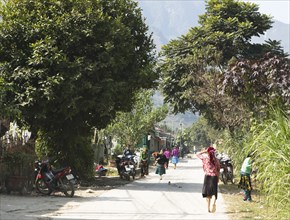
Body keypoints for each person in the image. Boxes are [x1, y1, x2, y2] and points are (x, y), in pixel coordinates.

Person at [196, 146, 220, 213]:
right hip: (214, 177)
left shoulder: (205, 158)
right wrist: (218, 178)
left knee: (208, 194)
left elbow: (197, 154)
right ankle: (214, 204)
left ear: (208, 152)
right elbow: (218, 170)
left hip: (207, 177)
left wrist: (204, 151)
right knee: (214, 192)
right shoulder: (216, 160)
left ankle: (208, 208)